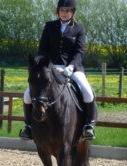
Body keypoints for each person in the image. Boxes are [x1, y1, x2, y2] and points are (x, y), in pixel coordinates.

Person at [19, 0, 97, 140]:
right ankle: (29, 127)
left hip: (72, 68)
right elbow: (42, 49)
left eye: (68, 11)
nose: (64, 13)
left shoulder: (79, 28)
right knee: (27, 95)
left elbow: (79, 52)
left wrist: (71, 66)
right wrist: (43, 64)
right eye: (62, 10)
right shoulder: (49, 26)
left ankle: (88, 126)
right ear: (58, 11)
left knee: (87, 92)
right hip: (50, 68)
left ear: (72, 12)